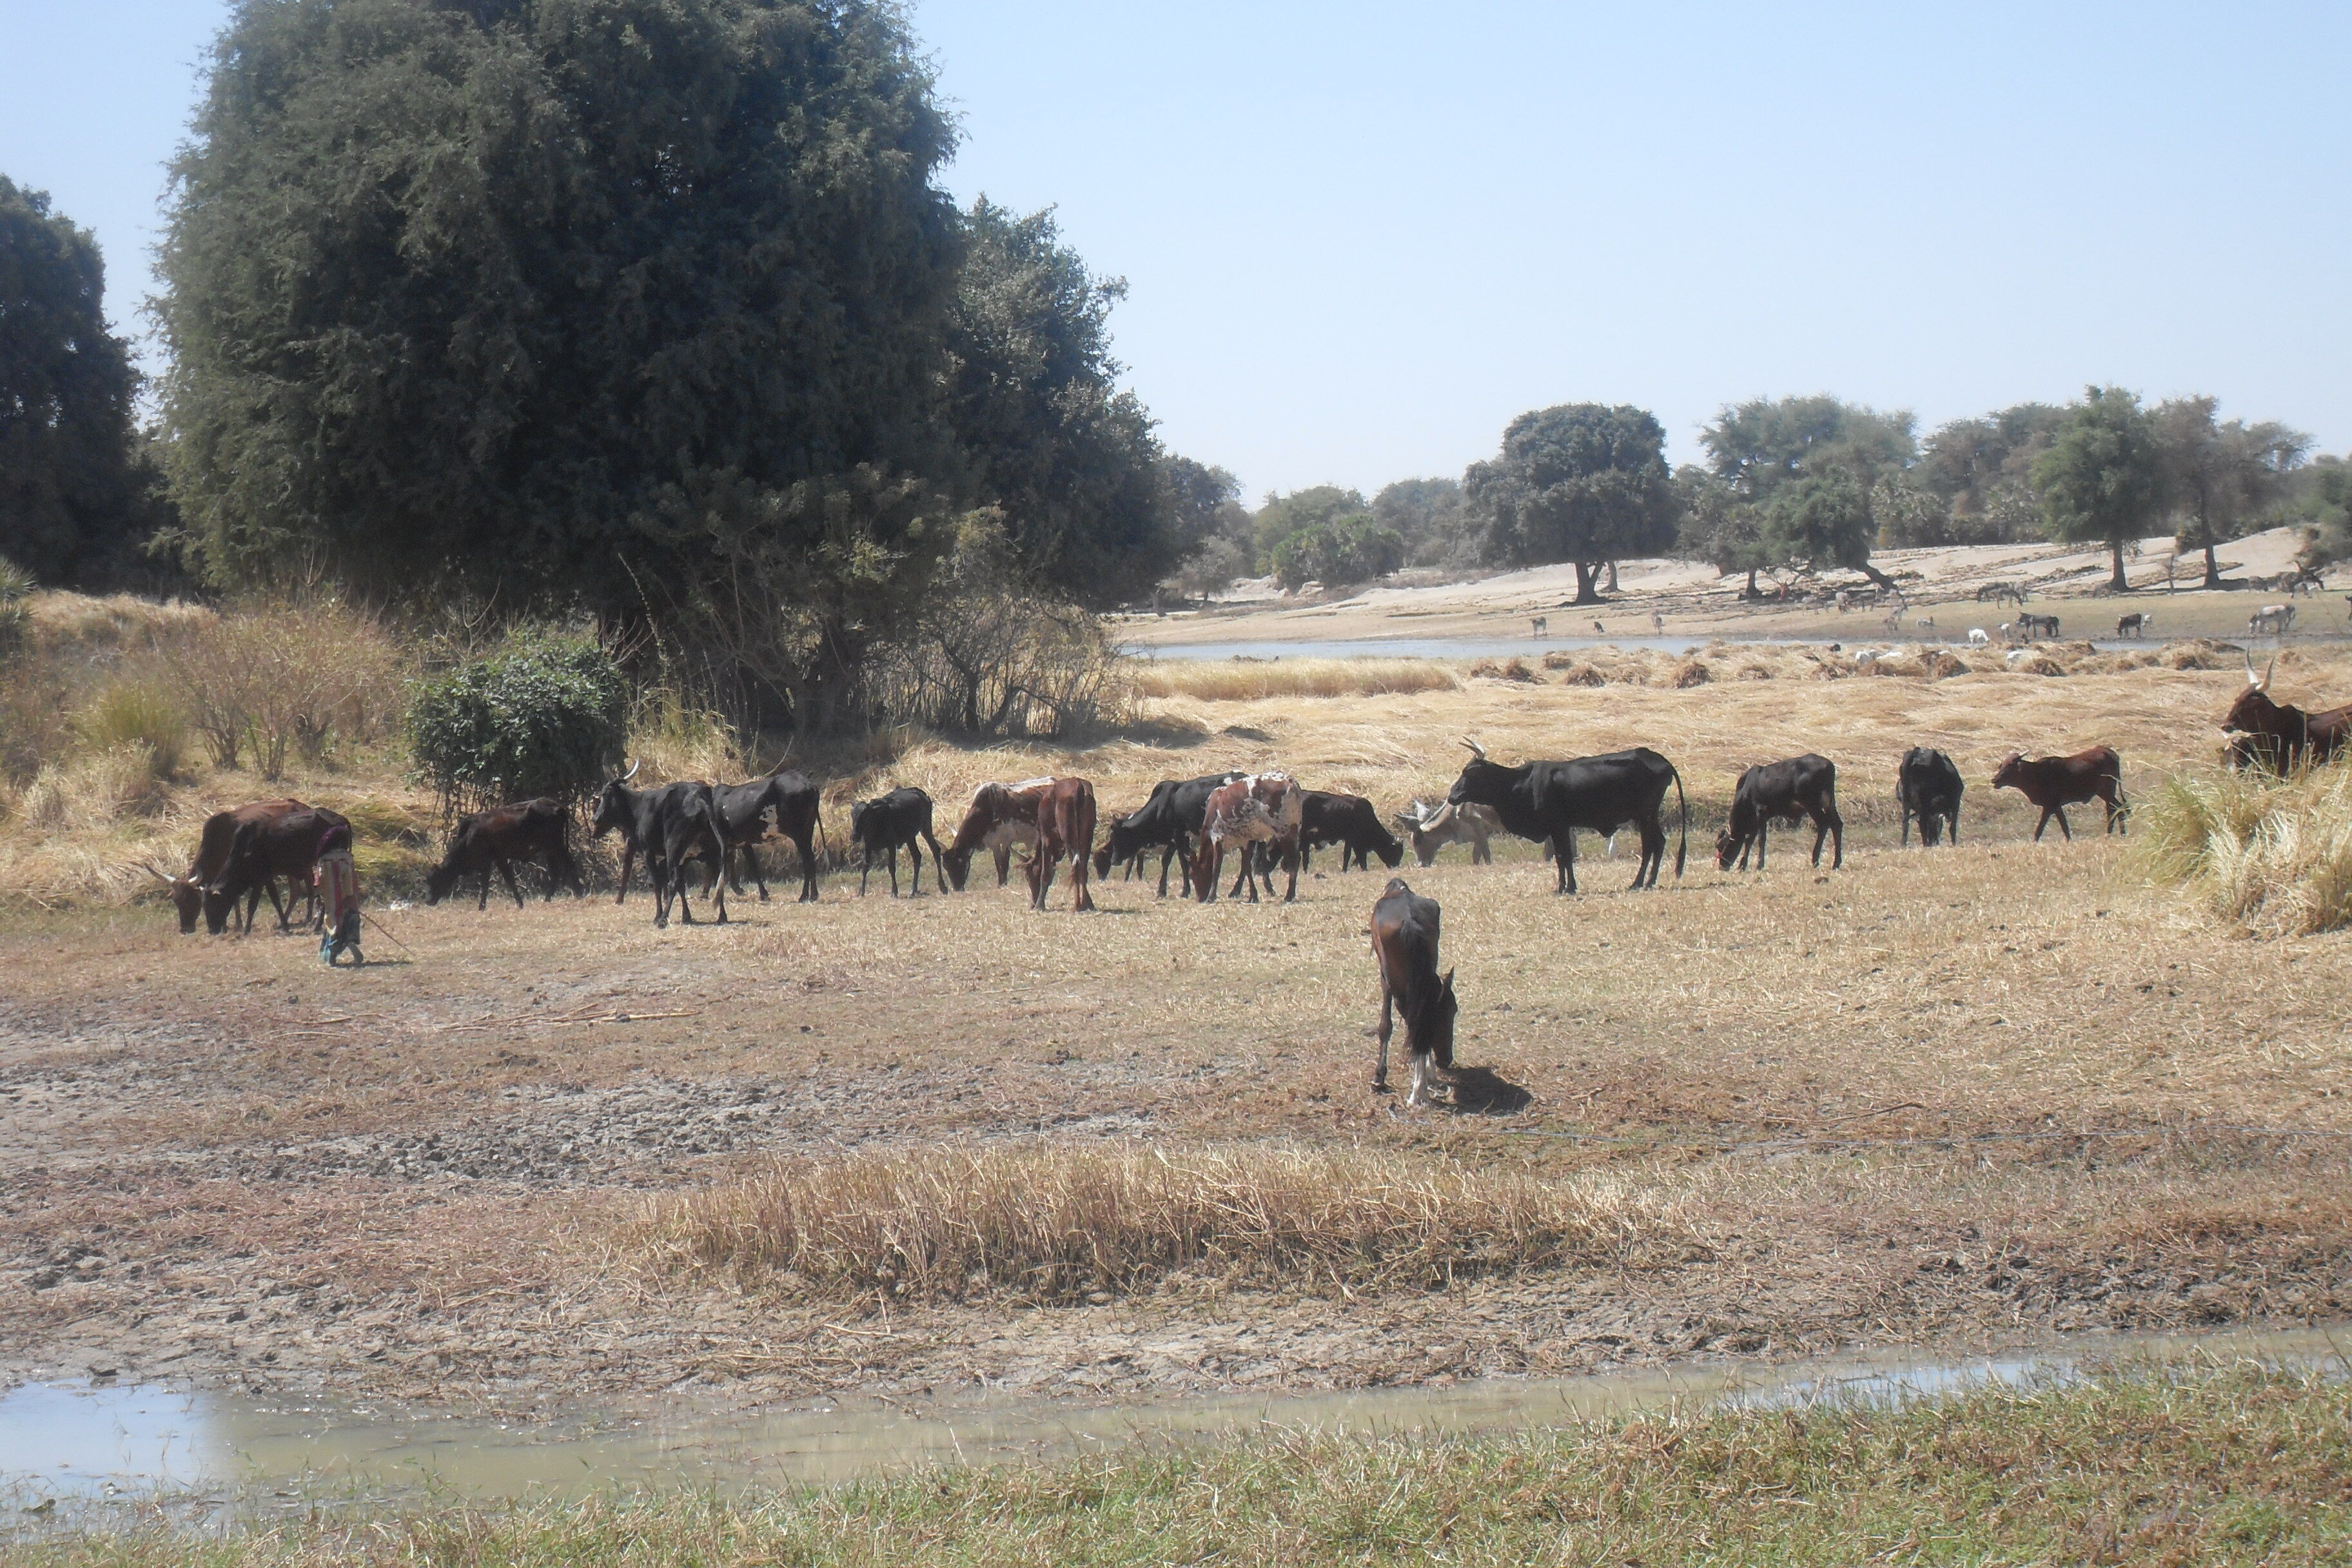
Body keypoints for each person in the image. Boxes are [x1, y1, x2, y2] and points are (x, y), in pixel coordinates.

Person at [315, 821, 362, 965]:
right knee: (349, 922)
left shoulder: (323, 860)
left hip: (331, 899)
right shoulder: (347, 858)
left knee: (333, 924)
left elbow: (319, 881)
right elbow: (350, 877)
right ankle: (351, 944)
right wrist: (350, 895)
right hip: (348, 897)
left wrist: (320, 896)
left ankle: (331, 956)